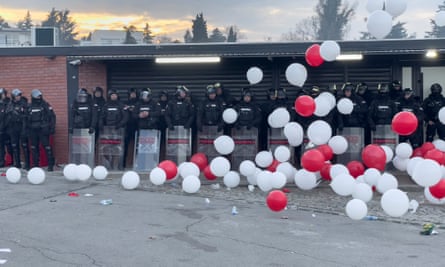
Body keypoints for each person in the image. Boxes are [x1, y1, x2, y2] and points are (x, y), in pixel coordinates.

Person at [27, 89, 56, 171]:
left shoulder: (45, 105)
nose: (39, 98)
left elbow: (52, 116)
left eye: (40, 96)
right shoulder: (29, 106)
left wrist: (52, 127)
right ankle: (36, 165)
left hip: (43, 129)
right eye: (37, 96)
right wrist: (26, 130)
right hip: (33, 130)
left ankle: (50, 165)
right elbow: (26, 119)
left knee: (47, 147)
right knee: (34, 147)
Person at [0, 88, 11, 167]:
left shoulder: (9, 103)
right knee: (1, 147)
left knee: (9, 145)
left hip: (8, 128)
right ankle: (1, 161)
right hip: (0, 129)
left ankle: (12, 160)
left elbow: (8, 117)